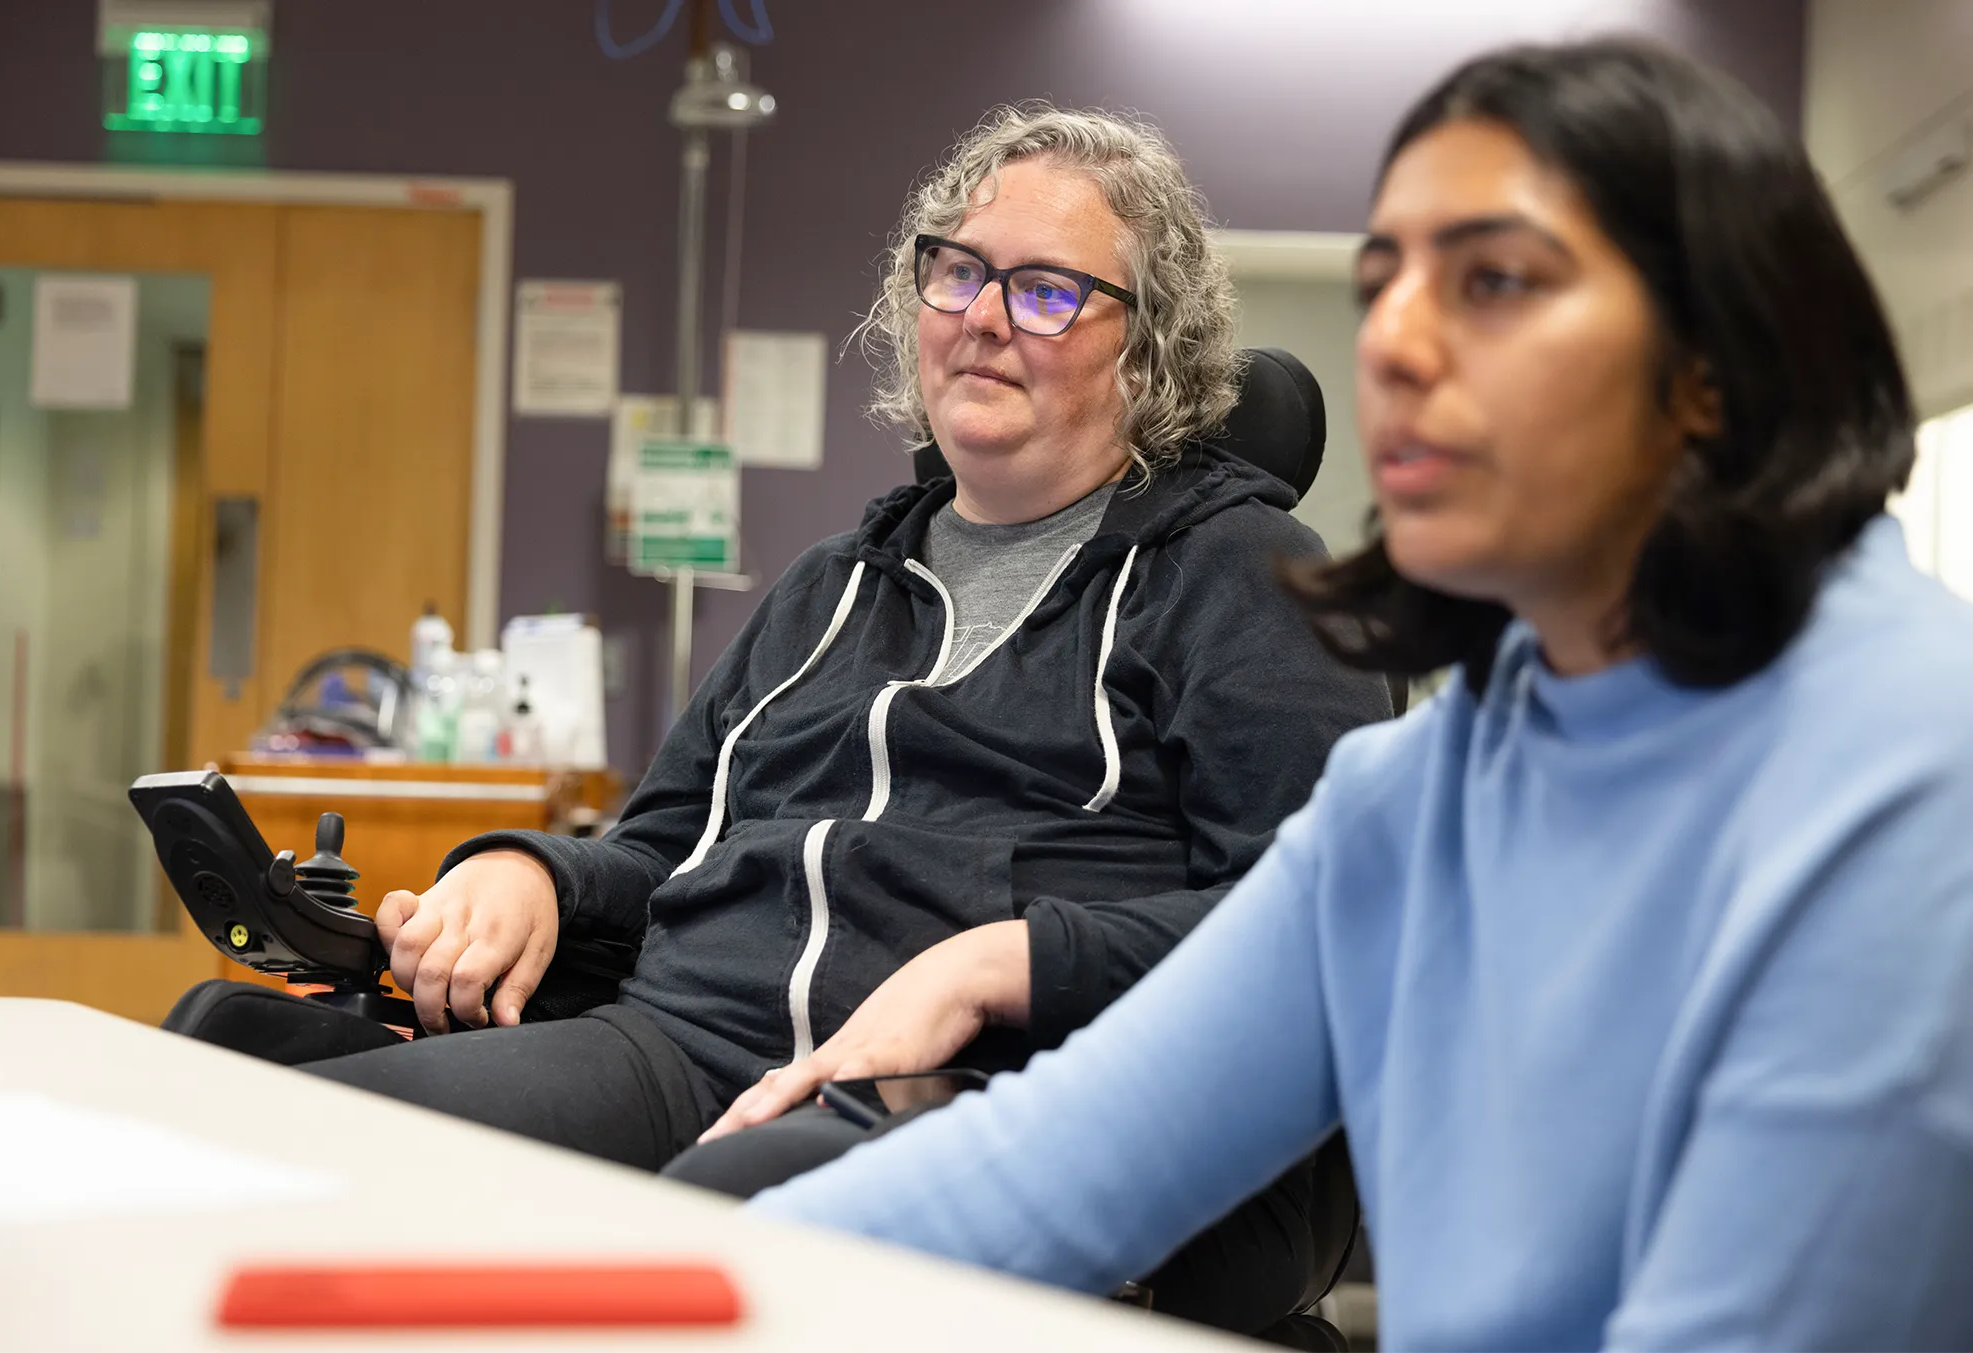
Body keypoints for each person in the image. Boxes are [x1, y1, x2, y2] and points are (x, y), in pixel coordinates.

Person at [750, 41, 1973, 1353]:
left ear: (1719, 364)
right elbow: (1054, 1165)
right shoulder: (1425, 793)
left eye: (1494, 281)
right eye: (1384, 280)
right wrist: (686, 1278)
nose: (1395, 339)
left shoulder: (1913, 769)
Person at [166, 105, 1388, 1330]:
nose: (981, 316)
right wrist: (528, 873)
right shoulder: (829, 587)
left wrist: (1002, 961)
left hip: (993, 1085)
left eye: (1047, 293)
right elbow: (663, 850)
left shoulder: (1244, 578)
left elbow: (1326, 920)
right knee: (256, 1101)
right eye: (958, 272)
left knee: (719, 1234)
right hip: (680, 1045)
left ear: (1148, 348)